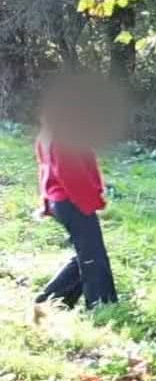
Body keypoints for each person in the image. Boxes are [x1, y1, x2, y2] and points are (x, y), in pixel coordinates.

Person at [33, 109, 118, 313]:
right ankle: (100, 304)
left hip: (63, 202)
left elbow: (45, 171)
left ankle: (54, 300)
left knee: (87, 253)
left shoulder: (50, 133)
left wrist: (46, 203)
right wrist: (93, 201)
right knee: (93, 257)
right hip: (72, 201)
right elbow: (71, 175)